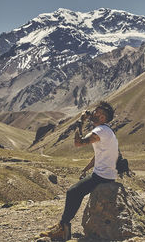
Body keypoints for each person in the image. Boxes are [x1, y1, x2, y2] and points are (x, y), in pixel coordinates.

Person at [39, 101, 119, 241]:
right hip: (106, 174)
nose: (93, 113)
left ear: (102, 118)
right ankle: (62, 225)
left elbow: (78, 143)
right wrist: (87, 168)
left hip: (102, 176)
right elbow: (101, 154)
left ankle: (63, 227)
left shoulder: (100, 131)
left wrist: (80, 122)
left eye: (97, 112)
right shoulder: (108, 131)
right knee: (78, 190)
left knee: (73, 192)